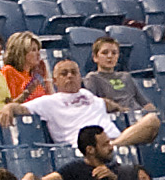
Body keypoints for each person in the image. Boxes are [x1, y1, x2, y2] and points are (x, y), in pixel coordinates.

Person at [22, 59, 162, 148]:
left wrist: (120, 108)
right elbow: (19, 108)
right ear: (55, 81)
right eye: (64, 74)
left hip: (113, 140)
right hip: (86, 149)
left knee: (152, 120)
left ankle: (114, 145)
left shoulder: (87, 94)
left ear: (79, 77)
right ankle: (115, 146)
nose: (70, 76)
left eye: (73, 72)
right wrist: (9, 109)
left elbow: (105, 103)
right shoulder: (49, 101)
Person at [85, 36, 151, 118]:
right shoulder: (92, 78)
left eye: (114, 53)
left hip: (138, 116)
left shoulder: (126, 76)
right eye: (105, 53)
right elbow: (92, 105)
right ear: (95, 57)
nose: (110, 56)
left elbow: (145, 103)